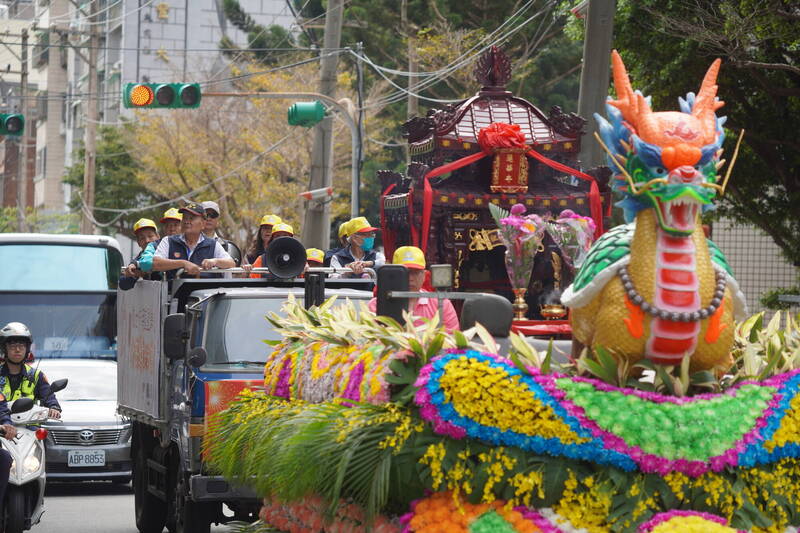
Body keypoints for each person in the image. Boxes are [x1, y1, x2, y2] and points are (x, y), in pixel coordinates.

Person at [368, 246, 459, 332]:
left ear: (424, 275)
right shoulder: (376, 305)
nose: (410, 278)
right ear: (394, 274)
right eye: (406, 273)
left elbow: (452, 341)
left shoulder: (442, 304)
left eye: (415, 273)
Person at [151, 202, 235, 279]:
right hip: (174, 293)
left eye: (191, 218)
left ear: (203, 224)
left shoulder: (213, 244)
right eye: (185, 218)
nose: (187, 222)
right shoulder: (168, 241)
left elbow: (231, 263)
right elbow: (155, 263)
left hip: (206, 294)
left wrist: (214, 261)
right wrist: (183, 263)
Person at [0, 323, 62, 418]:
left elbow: (48, 396)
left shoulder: (36, 375)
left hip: (29, 428)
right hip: (2, 427)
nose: (17, 349)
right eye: (12, 345)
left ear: (27, 348)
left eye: (22, 345)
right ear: (4, 348)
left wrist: (53, 407)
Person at [120, 218, 161, 289]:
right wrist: (135, 274)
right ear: (138, 242)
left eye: (150, 236)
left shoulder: (167, 249)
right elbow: (123, 285)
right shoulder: (138, 259)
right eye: (142, 238)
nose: (147, 240)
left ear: (158, 236)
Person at [202, 201, 242, 266]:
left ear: (218, 220)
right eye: (206, 215)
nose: (209, 218)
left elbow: (232, 272)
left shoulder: (227, 247)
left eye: (213, 215)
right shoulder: (188, 241)